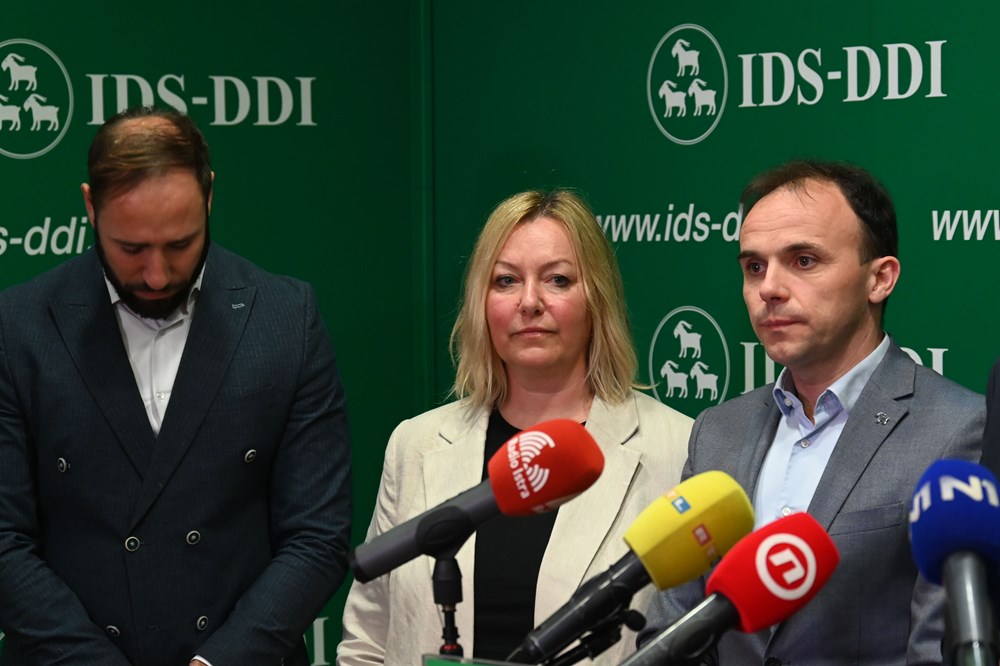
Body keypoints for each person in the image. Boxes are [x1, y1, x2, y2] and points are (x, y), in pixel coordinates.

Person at [0, 106, 352, 666]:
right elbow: (4, 541)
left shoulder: (287, 318)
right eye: (131, 248)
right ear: (90, 206)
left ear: (209, 195)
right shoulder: (18, 328)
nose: (157, 275)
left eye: (181, 244)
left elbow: (318, 534)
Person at [641, 160, 984, 665]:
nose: (769, 288)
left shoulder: (957, 429)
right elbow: (671, 631)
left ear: (880, 279)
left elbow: (938, 650)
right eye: (754, 267)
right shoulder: (717, 431)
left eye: (803, 260)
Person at [338, 189, 692, 665]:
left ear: (597, 298)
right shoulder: (415, 444)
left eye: (558, 279)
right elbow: (368, 640)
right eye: (506, 280)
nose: (529, 302)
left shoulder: (678, 447)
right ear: (481, 301)